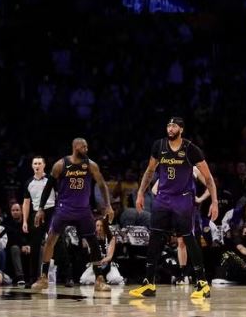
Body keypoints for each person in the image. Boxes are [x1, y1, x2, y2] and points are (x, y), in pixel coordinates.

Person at [129, 117, 218, 299]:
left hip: (182, 199)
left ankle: (202, 284)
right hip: (163, 198)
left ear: (181, 129)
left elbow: (208, 178)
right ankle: (149, 283)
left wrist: (214, 201)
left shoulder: (190, 149)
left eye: (174, 126)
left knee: (188, 239)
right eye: (168, 125)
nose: (170, 128)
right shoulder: (159, 145)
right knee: (155, 238)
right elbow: (149, 171)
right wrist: (140, 193)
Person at [30, 138, 114, 292]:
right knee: (50, 240)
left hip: (83, 210)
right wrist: (41, 208)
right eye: (84, 147)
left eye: (87, 147)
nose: (86, 149)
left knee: (93, 242)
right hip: (64, 209)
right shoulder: (60, 164)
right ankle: (43, 278)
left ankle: (99, 279)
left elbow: (102, 184)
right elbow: (48, 187)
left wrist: (108, 205)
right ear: (75, 147)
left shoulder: (91, 165)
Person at [151, 165, 210, 285]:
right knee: (181, 242)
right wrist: (165, 200)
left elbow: (210, 185)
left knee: (194, 242)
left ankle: (199, 276)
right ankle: (184, 275)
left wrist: (200, 199)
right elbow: (154, 189)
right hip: (177, 210)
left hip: (190, 210)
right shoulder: (170, 168)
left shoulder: (194, 169)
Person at [22, 156, 56, 284]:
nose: (37, 165)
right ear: (32, 166)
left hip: (51, 211)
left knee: (58, 243)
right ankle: (32, 279)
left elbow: (59, 195)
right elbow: (26, 203)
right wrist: (25, 221)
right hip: (36, 214)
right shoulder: (28, 182)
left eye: (39, 163)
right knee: (35, 246)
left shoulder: (51, 180)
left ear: (44, 165)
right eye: (35, 163)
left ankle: (68, 276)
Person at [79, 218, 124, 285]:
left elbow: (109, 256)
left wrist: (102, 262)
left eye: (101, 226)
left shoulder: (111, 238)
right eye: (97, 226)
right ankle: (101, 279)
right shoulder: (91, 238)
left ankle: (103, 278)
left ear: (105, 227)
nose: (99, 228)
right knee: (84, 279)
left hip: (108, 264)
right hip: (95, 265)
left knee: (116, 279)